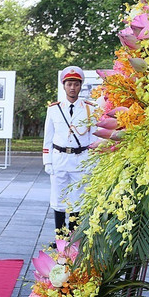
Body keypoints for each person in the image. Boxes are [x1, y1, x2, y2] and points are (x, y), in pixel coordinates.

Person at [43, 66, 95, 233]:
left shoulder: (90, 108)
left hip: (81, 159)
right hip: (59, 158)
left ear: (81, 86)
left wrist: (94, 162)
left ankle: (74, 239)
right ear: (64, 86)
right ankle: (60, 237)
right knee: (58, 199)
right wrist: (47, 161)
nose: (72, 88)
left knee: (78, 199)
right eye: (69, 84)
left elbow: (94, 138)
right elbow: (48, 138)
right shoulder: (54, 109)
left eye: (76, 84)